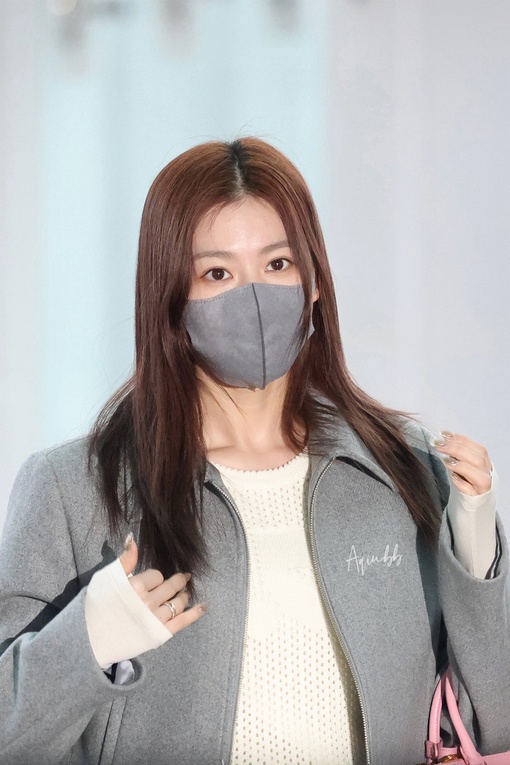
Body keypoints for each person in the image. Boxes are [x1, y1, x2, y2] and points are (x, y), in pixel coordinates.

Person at [0, 137, 508, 765]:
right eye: (217, 273)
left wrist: (475, 554)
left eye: (278, 264)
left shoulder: (403, 469)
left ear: (313, 281)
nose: (255, 297)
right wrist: (87, 641)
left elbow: (489, 729)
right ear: (170, 298)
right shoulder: (71, 489)